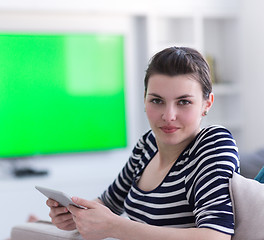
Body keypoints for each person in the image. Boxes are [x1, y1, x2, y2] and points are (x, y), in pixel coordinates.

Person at [46, 46, 240, 240]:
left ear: (207, 104)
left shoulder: (214, 144)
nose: (168, 116)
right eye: (157, 101)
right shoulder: (148, 144)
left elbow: (216, 236)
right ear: (145, 99)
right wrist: (74, 215)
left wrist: (114, 226)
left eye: (183, 102)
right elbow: (108, 203)